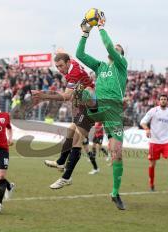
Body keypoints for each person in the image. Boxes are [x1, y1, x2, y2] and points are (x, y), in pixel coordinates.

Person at [76, 14, 127, 210]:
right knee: (85, 91)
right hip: (98, 106)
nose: (115, 49)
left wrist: (101, 27)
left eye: (118, 49)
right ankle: (81, 118)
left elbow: (108, 45)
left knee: (117, 154)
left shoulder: (121, 65)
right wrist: (85, 33)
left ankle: (115, 193)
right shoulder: (100, 66)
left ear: (121, 55)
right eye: (114, 48)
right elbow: (80, 55)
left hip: (113, 111)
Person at [32, 53, 95, 189]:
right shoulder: (71, 62)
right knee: (71, 130)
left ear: (67, 63)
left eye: (61, 66)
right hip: (83, 104)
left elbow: (66, 96)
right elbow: (64, 53)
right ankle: (61, 162)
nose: (59, 69)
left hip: (90, 106)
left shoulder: (74, 73)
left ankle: (66, 177)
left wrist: (43, 95)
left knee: (77, 140)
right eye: (57, 66)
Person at [140, 94, 168, 192]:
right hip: (154, 142)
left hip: (166, 142)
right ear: (159, 101)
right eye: (161, 99)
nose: (163, 101)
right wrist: (147, 129)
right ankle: (151, 184)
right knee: (152, 164)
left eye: (165, 99)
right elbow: (143, 122)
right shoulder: (153, 111)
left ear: (167, 102)